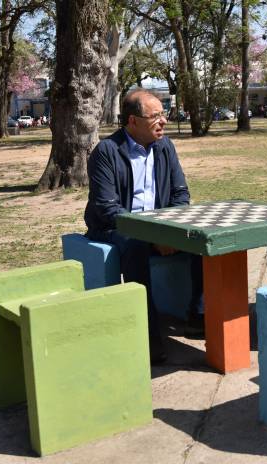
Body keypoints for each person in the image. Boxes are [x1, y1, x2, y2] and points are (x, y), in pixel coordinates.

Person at [84, 89, 204, 364]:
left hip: (159, 226)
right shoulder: (107, 151)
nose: (163, 121)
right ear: (132, 121)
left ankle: (199, 317)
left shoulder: (165, 146)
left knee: (201, 239)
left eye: (163, 114)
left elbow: (180, 194)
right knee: (136, 246)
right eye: (155, 116)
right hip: (115, 228)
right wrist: (153, 236)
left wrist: (170, 232)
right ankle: (147, 335)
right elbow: (108, 209)